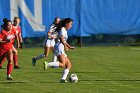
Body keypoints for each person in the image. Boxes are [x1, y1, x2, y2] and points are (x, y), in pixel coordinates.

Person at [43, 18, 75, 83]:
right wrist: (65, 46)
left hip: (61, 48)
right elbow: (61, 38)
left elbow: (64, 41)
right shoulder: (63, 29)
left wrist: (69, 46)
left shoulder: (64, 30)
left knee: (69, 65)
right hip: (59, 48)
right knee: (63, 64)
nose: (71, 26)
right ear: (66, 23)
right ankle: (48, 64)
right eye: (70, 24)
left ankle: (63, 79)